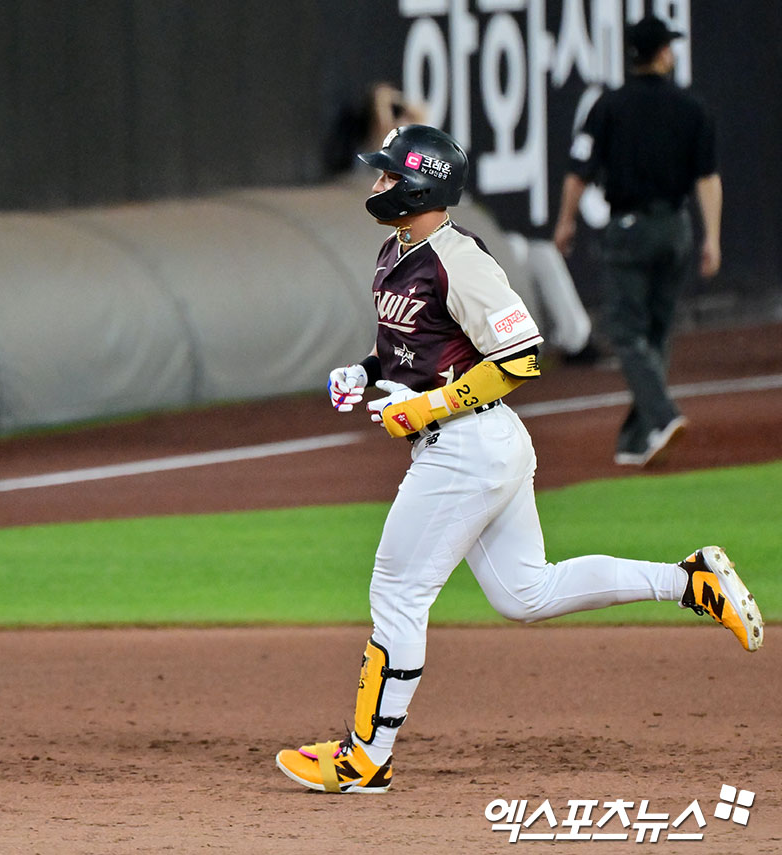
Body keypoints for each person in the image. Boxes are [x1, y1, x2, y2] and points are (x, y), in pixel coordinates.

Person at [274, 125, 760, 795]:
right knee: (525, 591)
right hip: (479, 444)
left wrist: (427, 408)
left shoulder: (458, 258)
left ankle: (365, 758)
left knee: (398, 593)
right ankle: (690, 581)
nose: (378, 183)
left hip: (465, 447)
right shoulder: (395, 250)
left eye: (389, 174)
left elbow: (521, 356)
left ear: (419, 187)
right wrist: (364, 372)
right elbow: (411, 349)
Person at [553, 14, 722, 466]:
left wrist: (565, 223)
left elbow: (578, 171)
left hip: (629, 229)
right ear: (663, 54)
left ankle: (662, 416)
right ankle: (636, 440)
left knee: (627, 333)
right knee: (657, 333)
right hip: (676, 228)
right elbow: (708, 178)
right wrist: (712, 237)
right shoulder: (691, 107)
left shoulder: (609, 106)